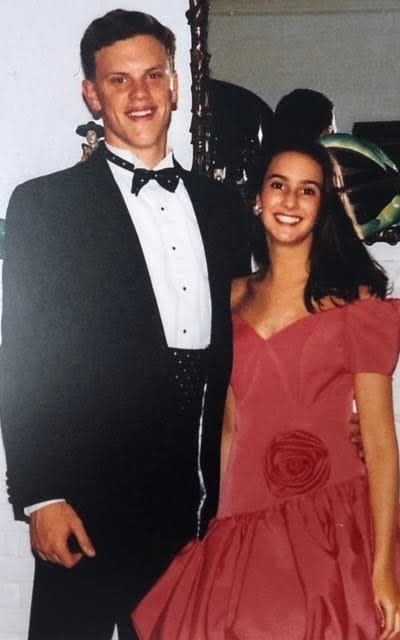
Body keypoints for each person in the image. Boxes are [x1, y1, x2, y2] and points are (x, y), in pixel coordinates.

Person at [0, 9, 250, 640]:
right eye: (119, 80)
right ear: (92, 92)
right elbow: (24, 358)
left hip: (196, 504)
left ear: (174, 85)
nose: (139, 95)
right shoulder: (45, 207)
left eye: (153, 76)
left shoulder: (223, 209)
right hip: (86, 501)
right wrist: (41, 496)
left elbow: (255, 334)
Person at [132, 140, 400, 639]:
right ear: (258, 197)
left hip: (336, 525)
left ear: (322, 208)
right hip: (244, 522)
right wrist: (215, 528)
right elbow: (229, 424)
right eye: (279, 186)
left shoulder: (356, 307)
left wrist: (383, 567)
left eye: (307, 191)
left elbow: (379, 441)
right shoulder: (227, 298)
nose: (290, 202)